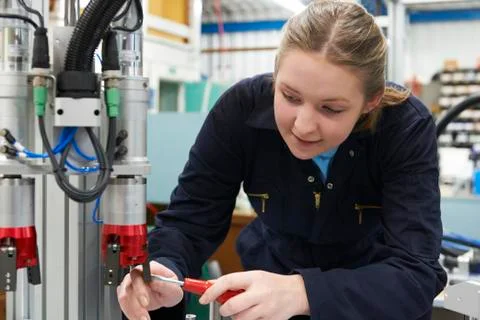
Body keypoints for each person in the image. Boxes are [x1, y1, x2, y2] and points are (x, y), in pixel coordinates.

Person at [117, 0, 447, 319]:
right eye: (290, 96)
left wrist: (303, 293)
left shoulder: (404, 126)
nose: (303, 126)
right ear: (276, 73)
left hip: (372, 303)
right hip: (272, 292)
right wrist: (166, 266)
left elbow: (416, 273)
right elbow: (190, 223)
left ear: (370, 101)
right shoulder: (241, 110)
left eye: (331, 109)